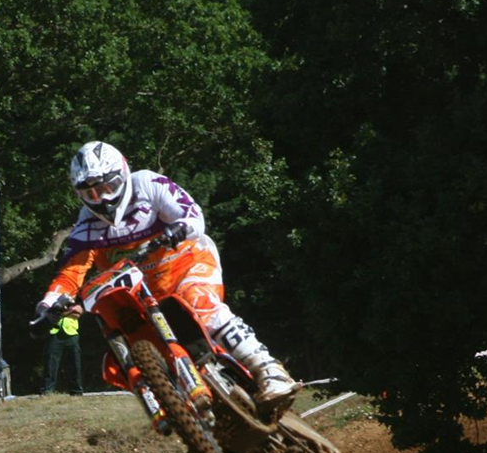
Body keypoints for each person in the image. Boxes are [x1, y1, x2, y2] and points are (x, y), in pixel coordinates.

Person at [35, 141, 299, 408]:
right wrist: (49, 304)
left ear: (123, 174)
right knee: (130, 333)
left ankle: (269, 369)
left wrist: (180, 227)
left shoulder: (148, 185)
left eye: (108, 187)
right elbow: (70, 272)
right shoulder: (86, 227)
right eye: (90, 194)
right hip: (143, 295)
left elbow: (193, 215)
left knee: (198, 301)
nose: (102, 199)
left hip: (190, 264)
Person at [40, 303, 84, 396]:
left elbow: (78, 312)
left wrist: (61, 313)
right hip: (54, 333)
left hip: (71, 334)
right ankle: (47, 390)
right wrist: (70, 312)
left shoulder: (73, 300)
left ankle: (76, 390)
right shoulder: (52, 300)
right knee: (51, 362)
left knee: (74, 362)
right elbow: (50, 315)